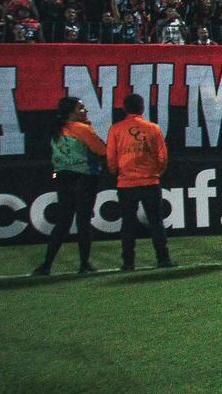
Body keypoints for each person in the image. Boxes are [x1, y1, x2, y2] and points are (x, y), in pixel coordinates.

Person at [32, 96, 105, 276]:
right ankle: (84, 263)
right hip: (84, 177)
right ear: (72, 112)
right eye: (81, 108)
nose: (85, 111)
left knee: (63, 222)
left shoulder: (56, 129)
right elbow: (101, 150)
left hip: (63, 177)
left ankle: (46, 265)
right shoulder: (82, 129)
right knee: (83, 221)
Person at [105, 93, 174, 271]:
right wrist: (156, 172)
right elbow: (162, 156)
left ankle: (128, 262)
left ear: (125, 108)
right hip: (149, 181)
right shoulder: (153, 128)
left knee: (128, 223)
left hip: (126, 183)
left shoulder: (116, 129)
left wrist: (116, 172)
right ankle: (163, 258)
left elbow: (111, 157)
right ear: (142, 108)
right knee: (156, 221)